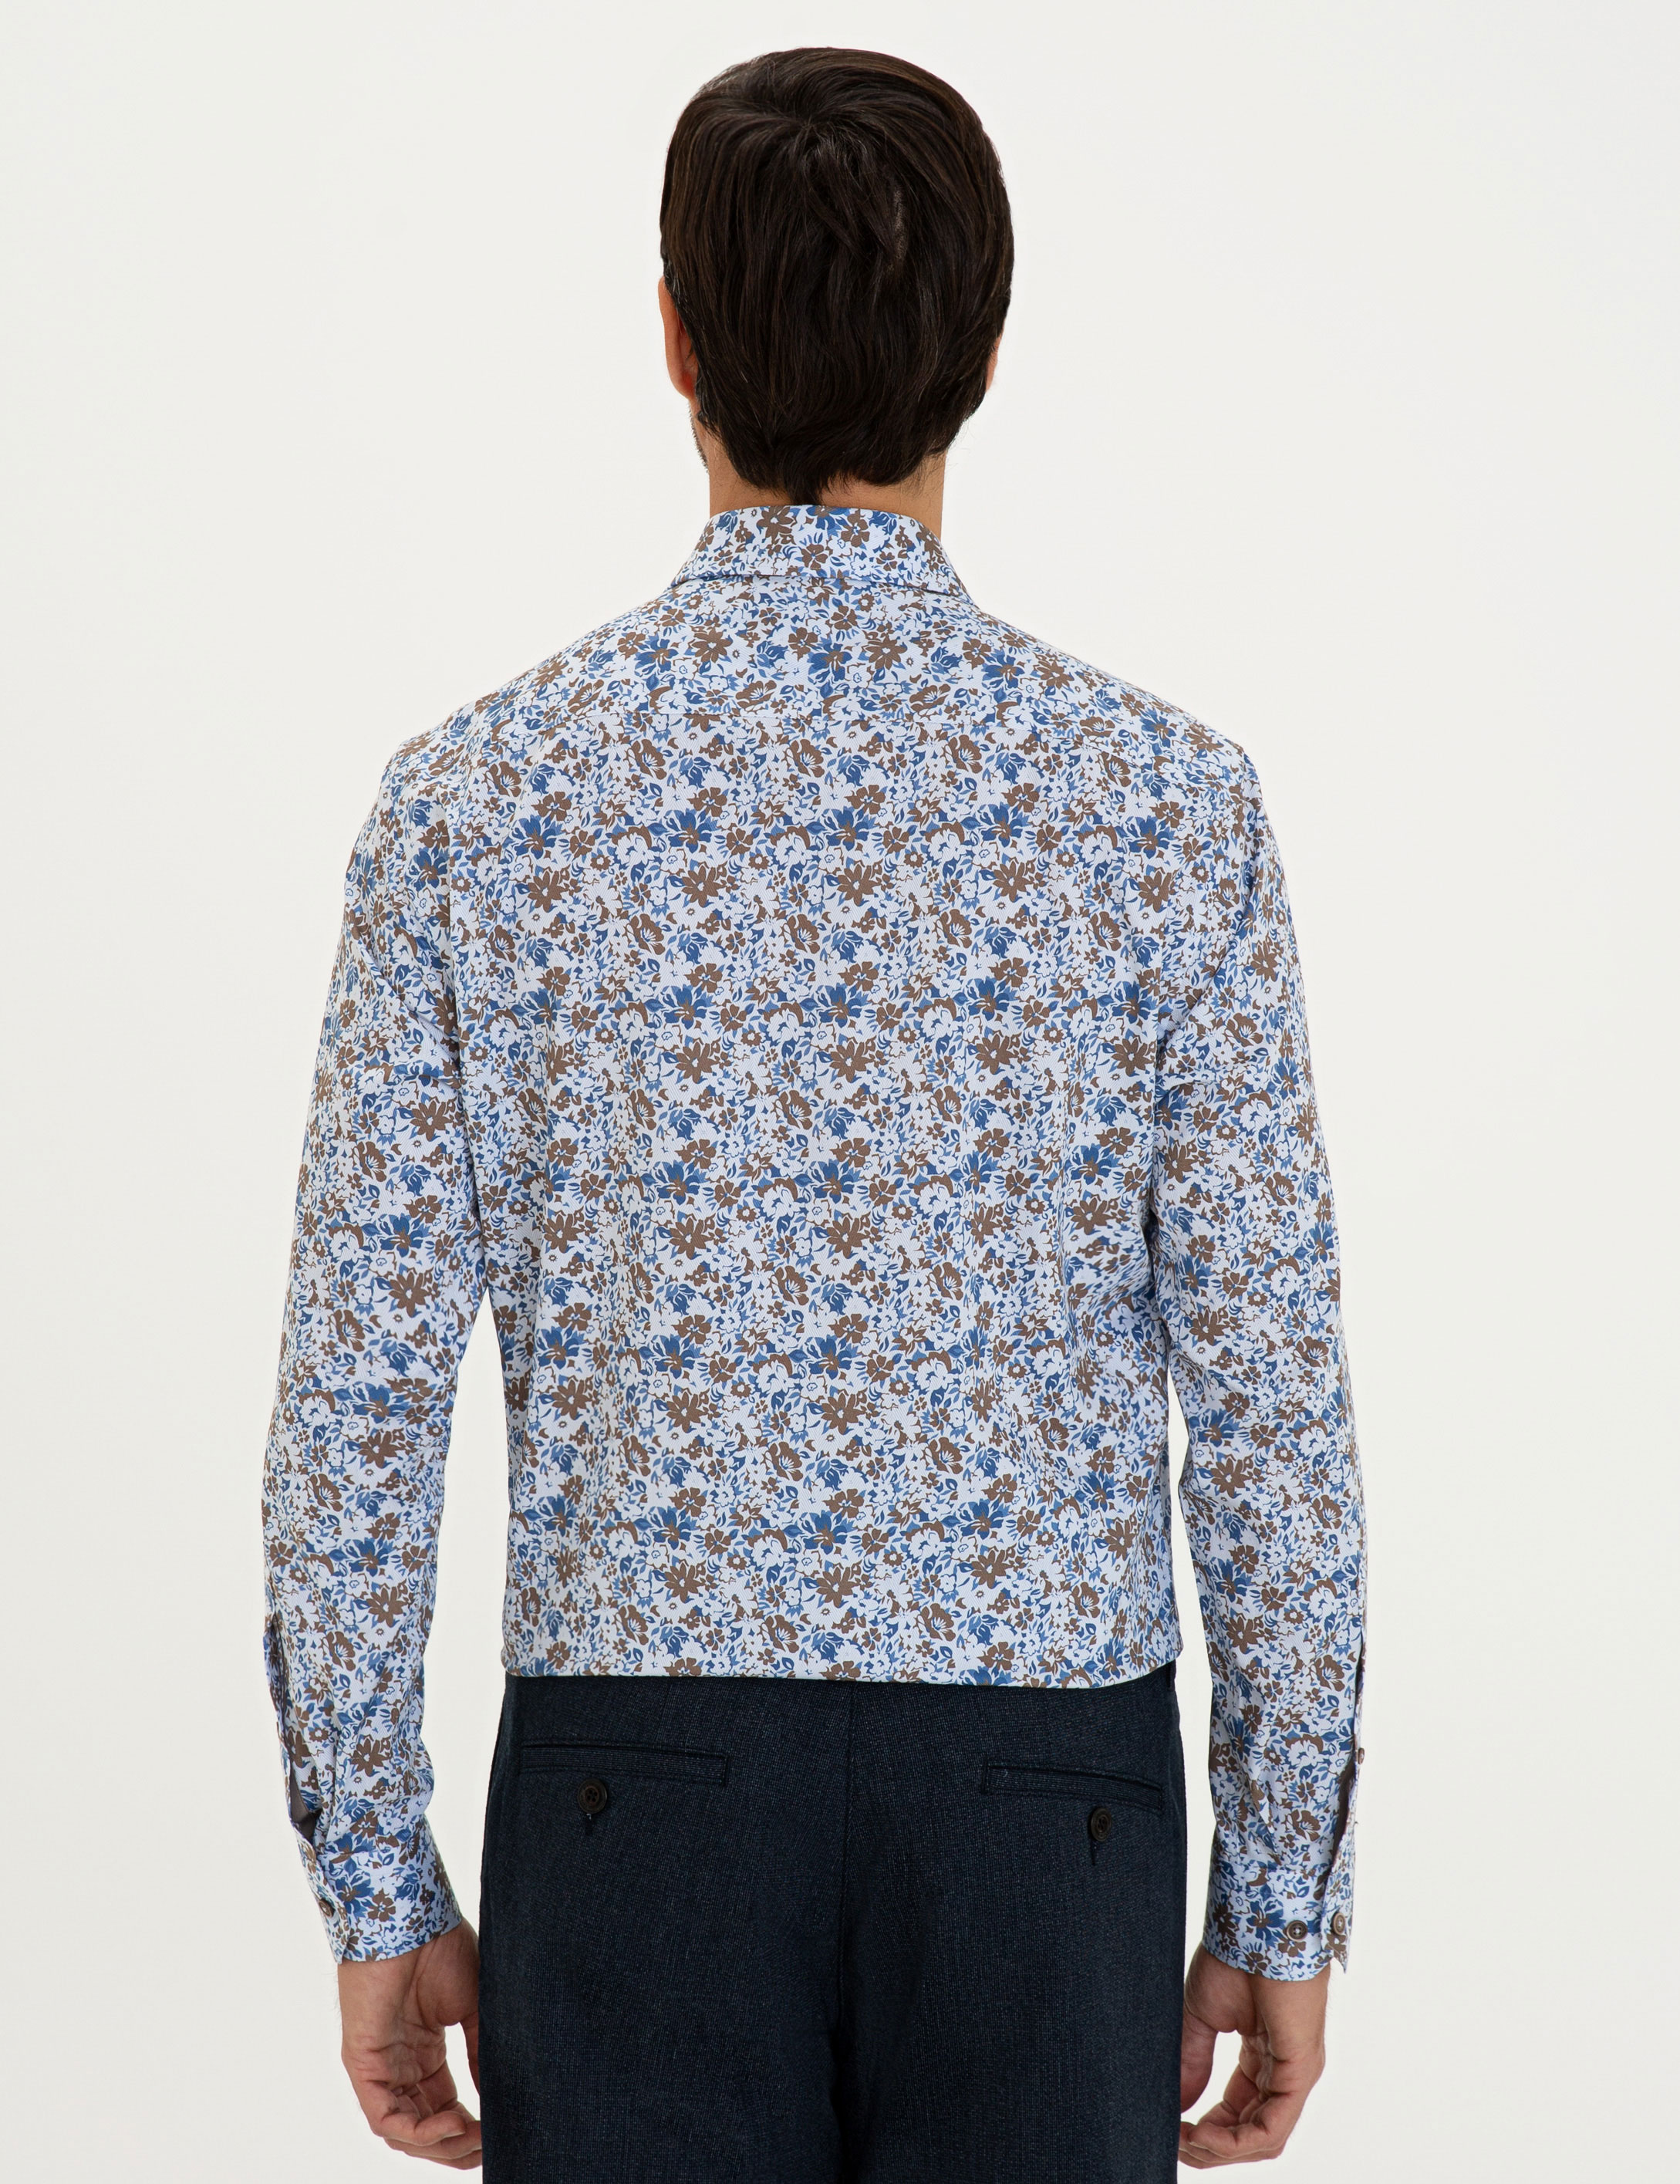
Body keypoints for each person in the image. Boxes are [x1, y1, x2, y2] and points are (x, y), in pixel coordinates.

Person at [261, 45, 1365, 2180]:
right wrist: (1282, 1892)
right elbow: (1268, 1406)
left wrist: (378, 1888)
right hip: (1048, 1808)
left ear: (675, 338)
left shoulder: (475, 810)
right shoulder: (1166, 815)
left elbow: (354, 1412)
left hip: (632, 1796)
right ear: (987, 348)